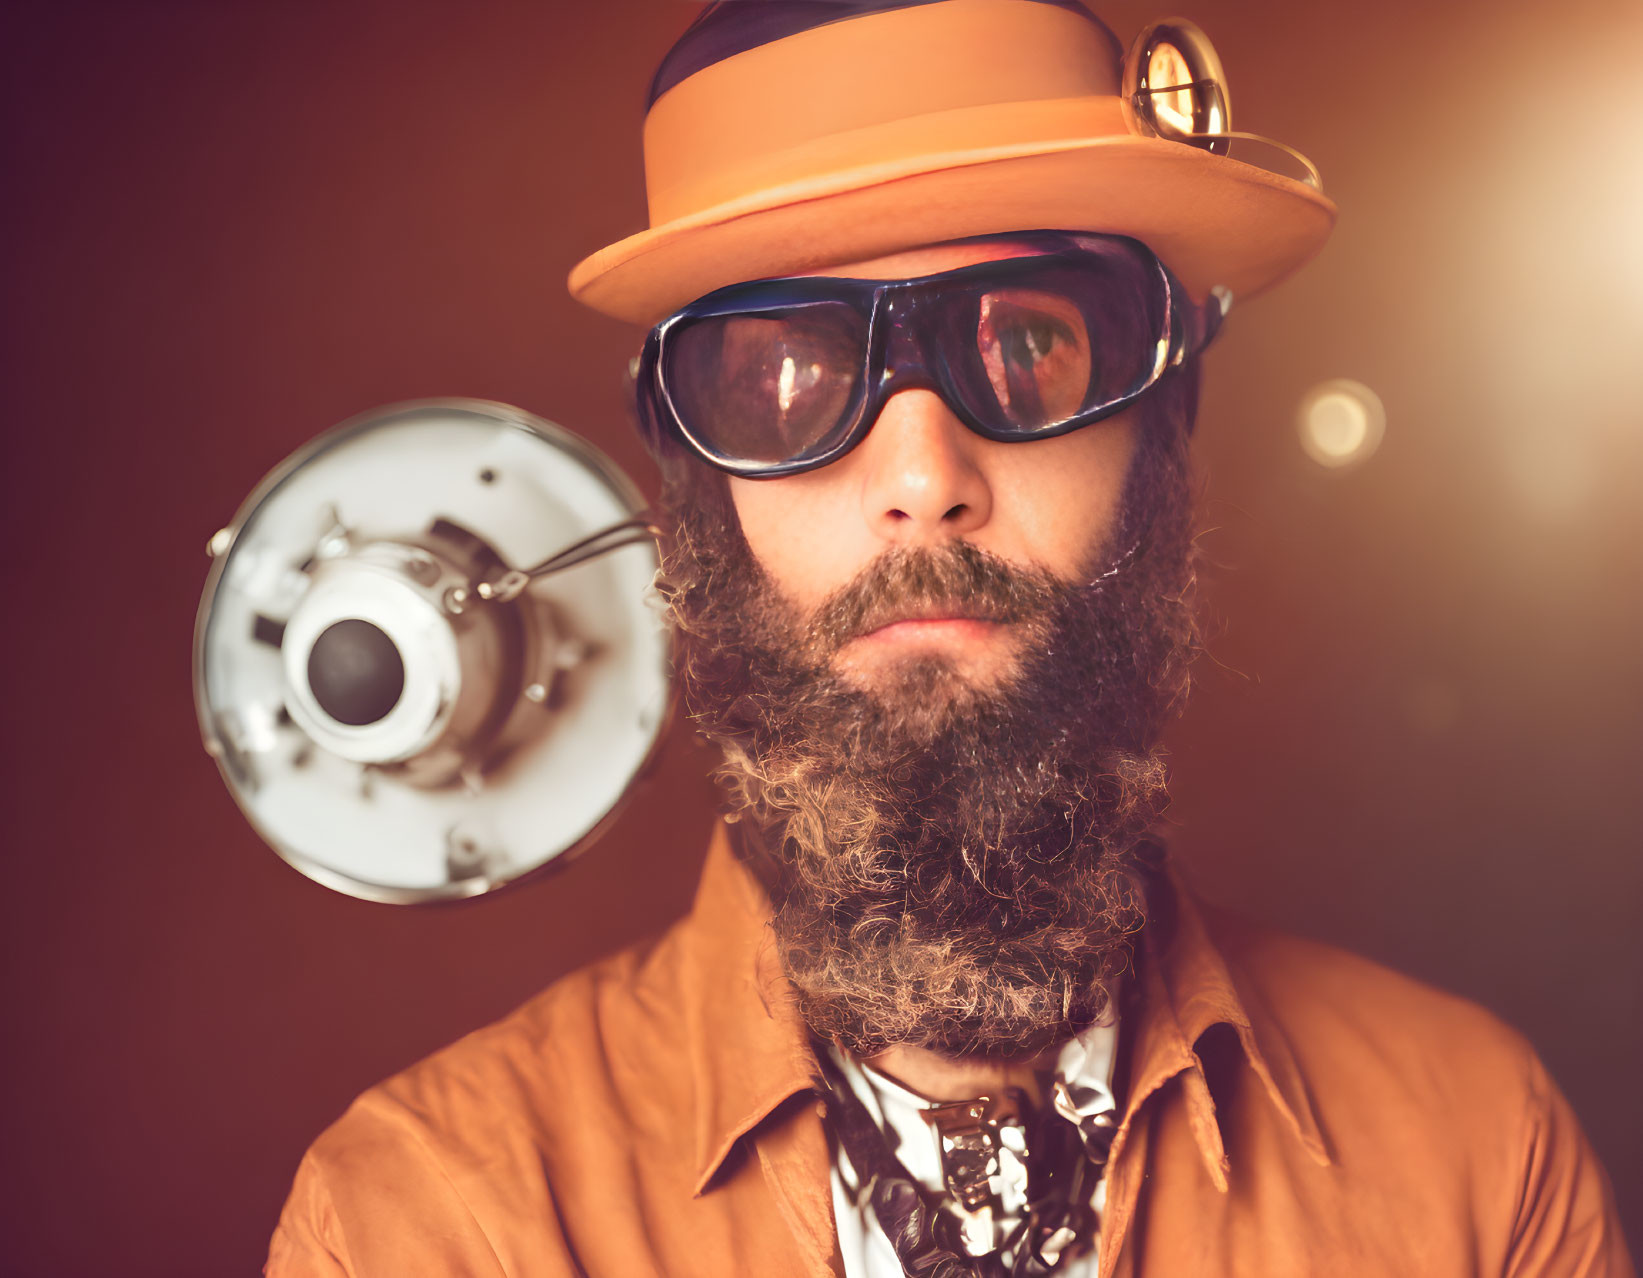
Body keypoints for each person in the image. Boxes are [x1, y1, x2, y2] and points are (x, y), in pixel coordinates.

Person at [266, 2, 1635, 1274]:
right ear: (700, 498)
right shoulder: (429, 1220)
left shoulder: (1473, 1155)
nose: (924, 474)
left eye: (1029, 348)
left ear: (1162, 436)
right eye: (788, 376)